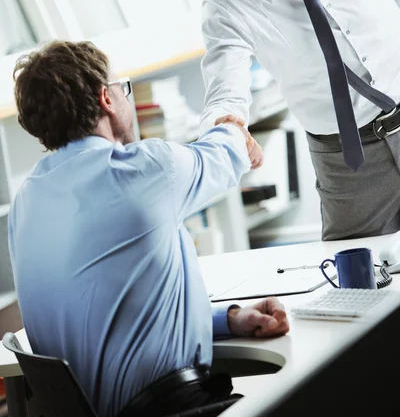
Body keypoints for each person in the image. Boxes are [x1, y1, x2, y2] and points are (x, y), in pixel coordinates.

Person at [9, 40, 289, 417]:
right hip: (174, 410)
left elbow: (108, 318)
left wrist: (229, 319)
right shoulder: (142, 169)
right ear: (106, 98)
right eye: (122, 88)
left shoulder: (26, 203)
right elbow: (229, 152)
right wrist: (237, 132)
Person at [201, 0, 400, 241]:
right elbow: (225, 84)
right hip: (347, 159)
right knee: (358, 285)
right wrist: (228, 122)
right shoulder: (228, 1)